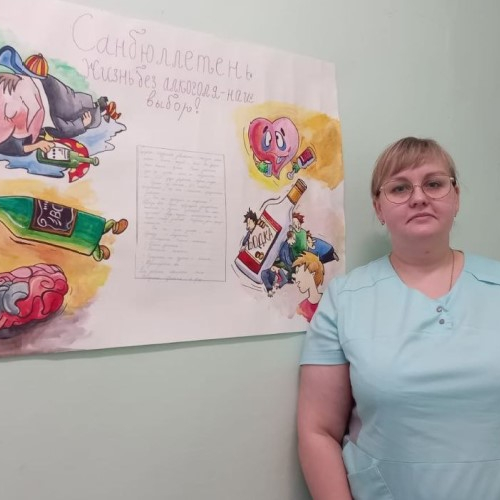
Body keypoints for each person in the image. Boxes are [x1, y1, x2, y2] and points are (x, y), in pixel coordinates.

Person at [297, 137, 500, 500]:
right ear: (379, 207)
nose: (418, 197)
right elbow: (318, 431)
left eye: (434, 184)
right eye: (399, 188)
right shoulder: (344, 299)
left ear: (455, 197)